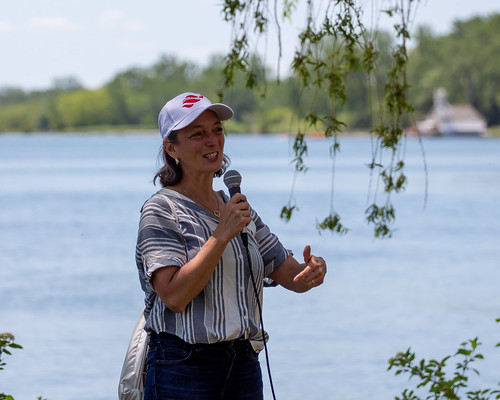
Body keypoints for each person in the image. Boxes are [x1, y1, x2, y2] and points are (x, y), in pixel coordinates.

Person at [135, 92, 327, 400]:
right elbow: (174, 296)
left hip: (242, 364)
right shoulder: (161, 210)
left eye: (217, 130)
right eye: (197, 134)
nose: (212, 141)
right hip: (182, 366)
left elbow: (293, 277)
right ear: (172, 148)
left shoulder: (237, 209)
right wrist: (220, 236)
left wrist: (313, 270)